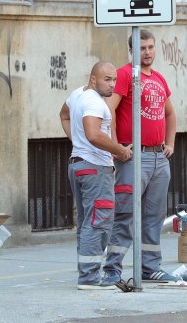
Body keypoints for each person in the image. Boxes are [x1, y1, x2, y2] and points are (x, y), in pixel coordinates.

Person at [103, 29, 178, 284]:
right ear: (132, 51)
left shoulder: (158, 78)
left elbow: (170, 114)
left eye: (150, 47)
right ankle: (112, 268)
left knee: (154, 217)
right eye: (141, 48)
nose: (146, 52)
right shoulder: (125, 74)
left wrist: (170, 144)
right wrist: (116, 148)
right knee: (125, 214)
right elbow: (109, 110)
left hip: (159, 158)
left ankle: (150, 268)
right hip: (133, 157)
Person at [59, 61, 132, 290]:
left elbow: (63, 115)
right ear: (93, 79)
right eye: (107, 79)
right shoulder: (93, 101)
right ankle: (89, 279)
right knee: (98, 224)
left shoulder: (77, 95)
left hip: (79, 165)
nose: (112, 85)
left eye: (114, 80)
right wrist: (120, 151)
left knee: (86, 223)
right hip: (94, 169)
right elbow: (93, 135)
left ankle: (86, 275)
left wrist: (75, 141)